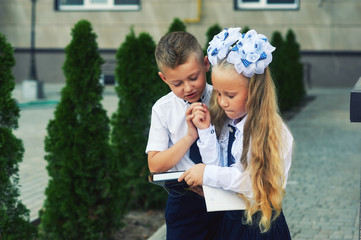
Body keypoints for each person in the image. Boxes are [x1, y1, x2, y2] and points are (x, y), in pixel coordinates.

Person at [179, 28, 294, 239]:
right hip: (231, 223)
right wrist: (205, 131)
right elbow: (219, 168)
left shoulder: (274, 132)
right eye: (219, 93)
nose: (221, 102)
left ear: (255, 92)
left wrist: (207, 174)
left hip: (261, 228)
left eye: (230, 95)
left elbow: (252, 183)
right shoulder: (231, 121)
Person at [145, 31, 223, 240]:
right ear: (164, 78)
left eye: (193, 77)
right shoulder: (163, 109)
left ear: (206, 64)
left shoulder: (223, 98)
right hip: (185, 200)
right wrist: (189, 136)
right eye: (177, 83)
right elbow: (155, 165)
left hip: (225, 193)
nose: (188, 88)